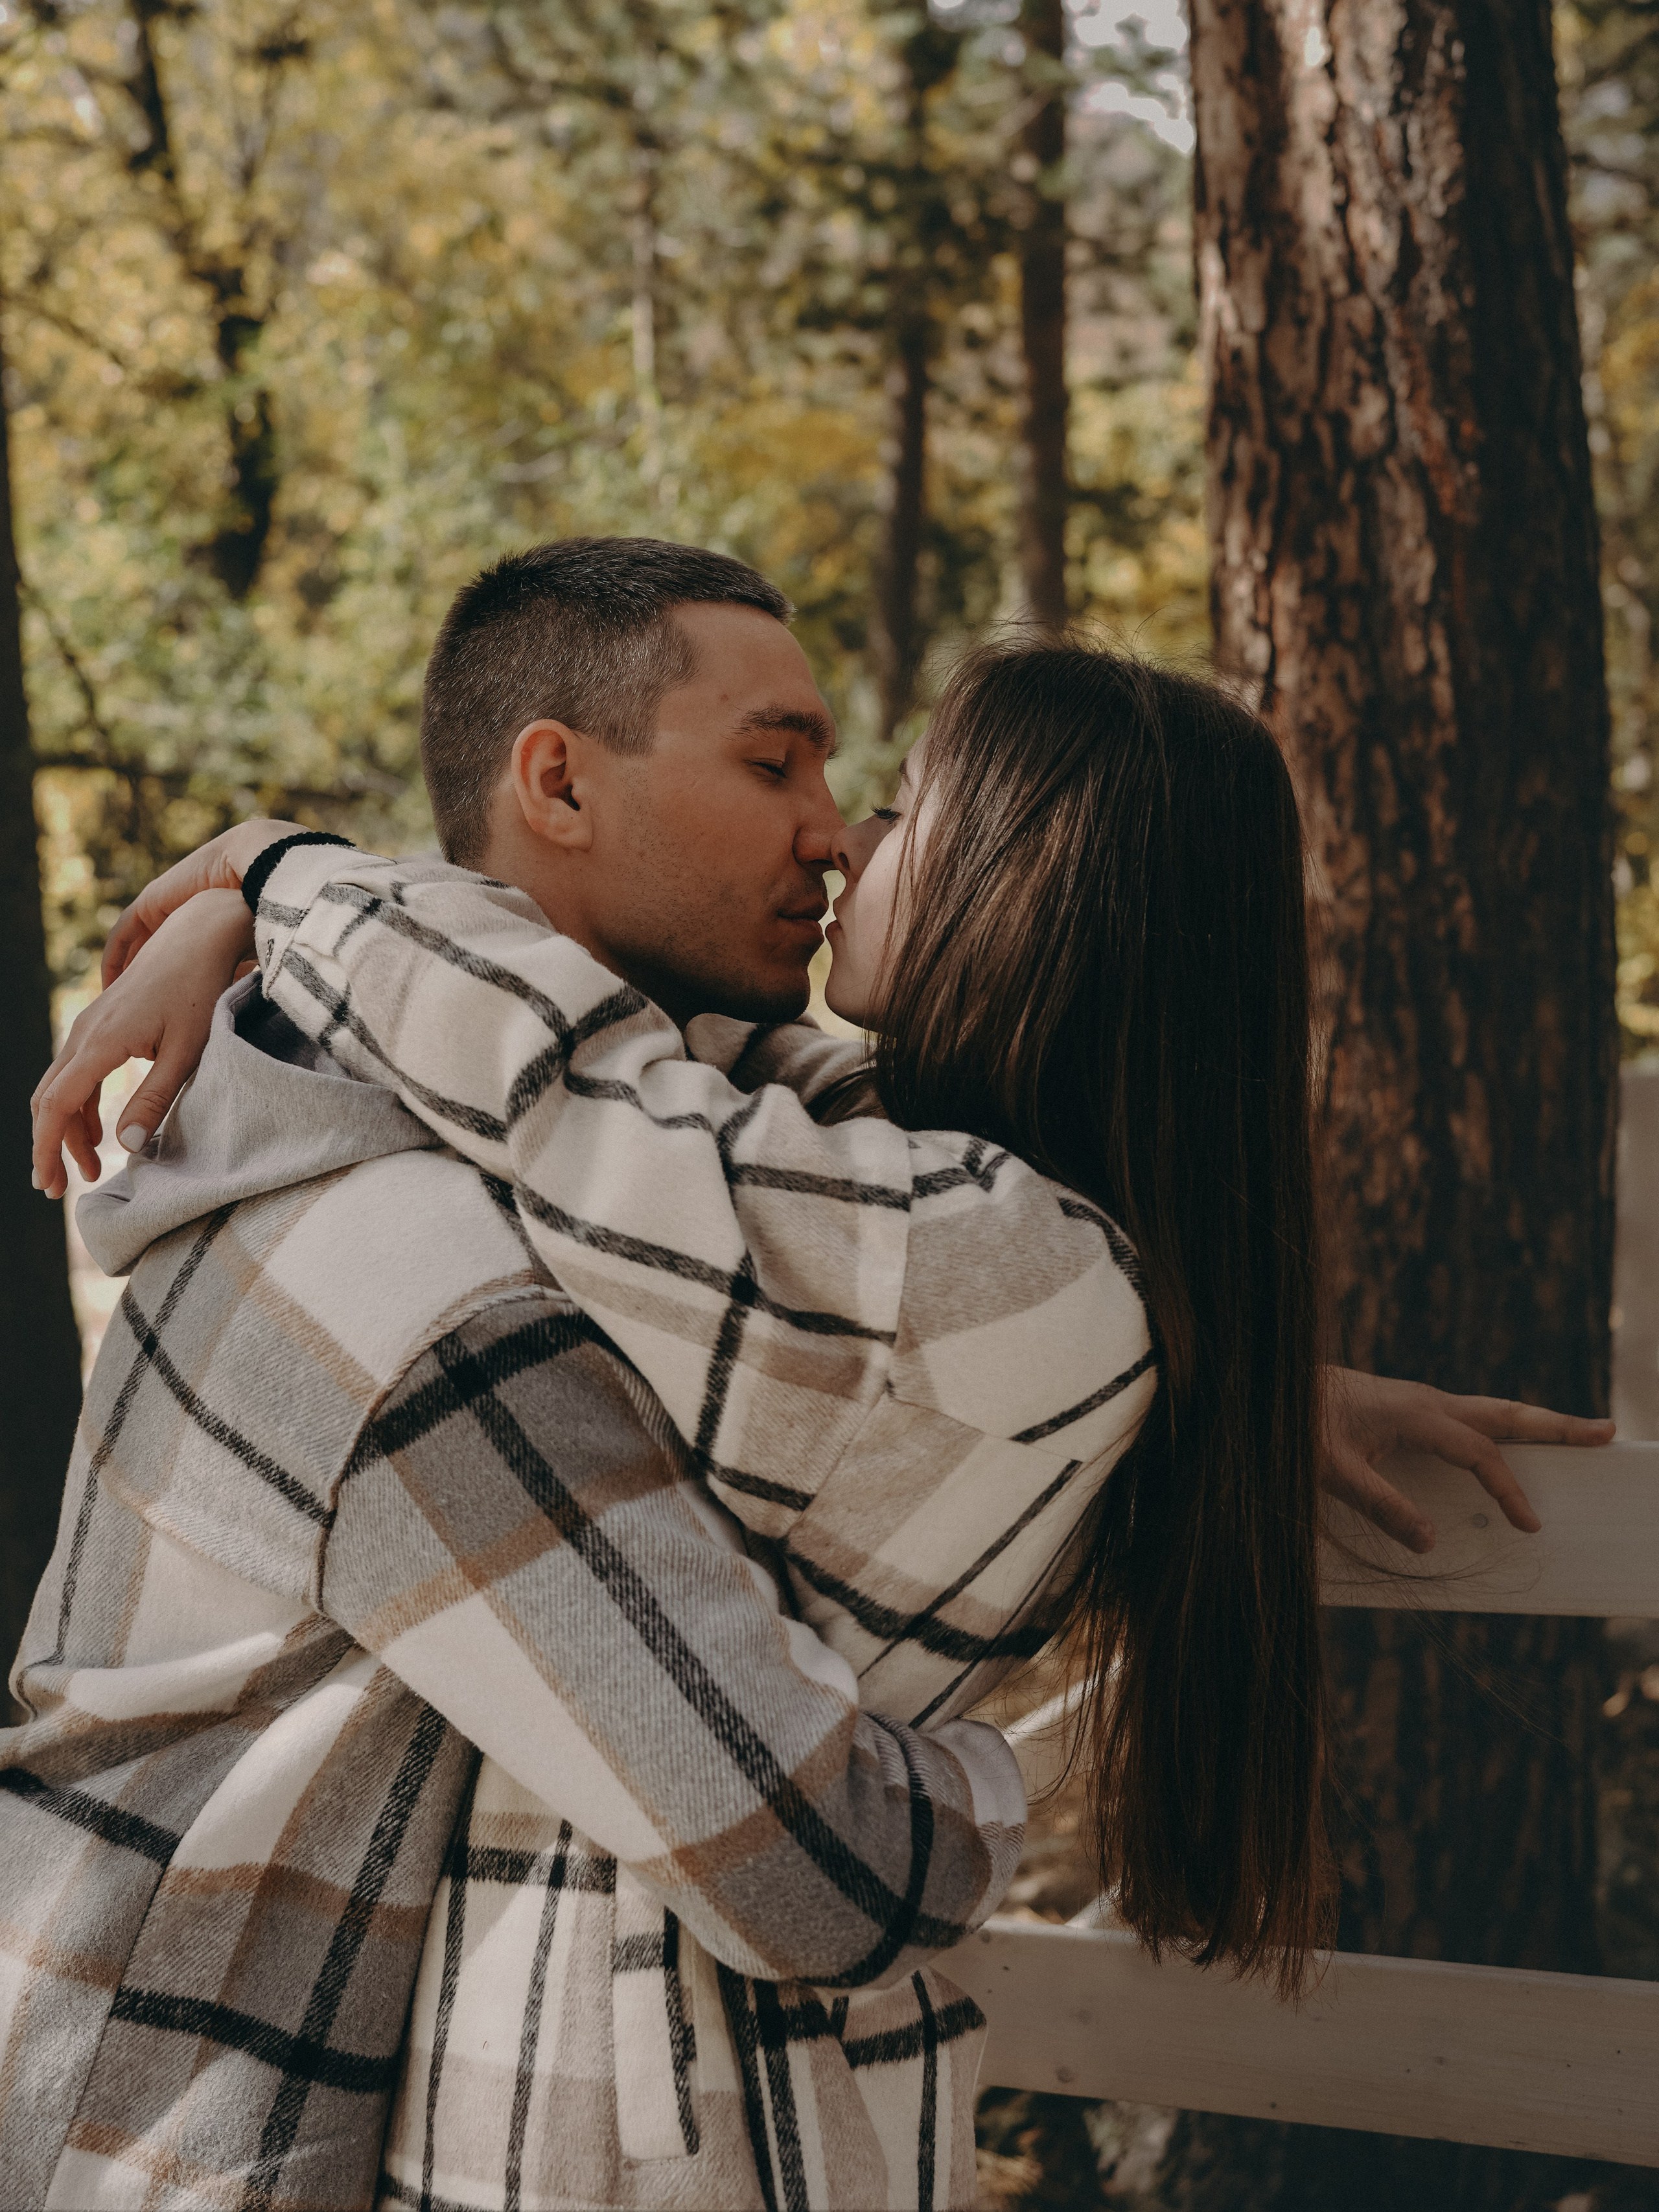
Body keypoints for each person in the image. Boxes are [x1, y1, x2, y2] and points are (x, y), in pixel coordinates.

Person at [24, 540, 1610, 2212]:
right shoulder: (459, 1260)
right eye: (782, 763)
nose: (843, 833)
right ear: (554, 779)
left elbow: (607, 1115)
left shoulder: (949, 1248)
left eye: (894, 801)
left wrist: (278, 880)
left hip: (635, 2120)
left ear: (1042, 892)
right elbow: (625, 1104)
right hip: (373, 2092)